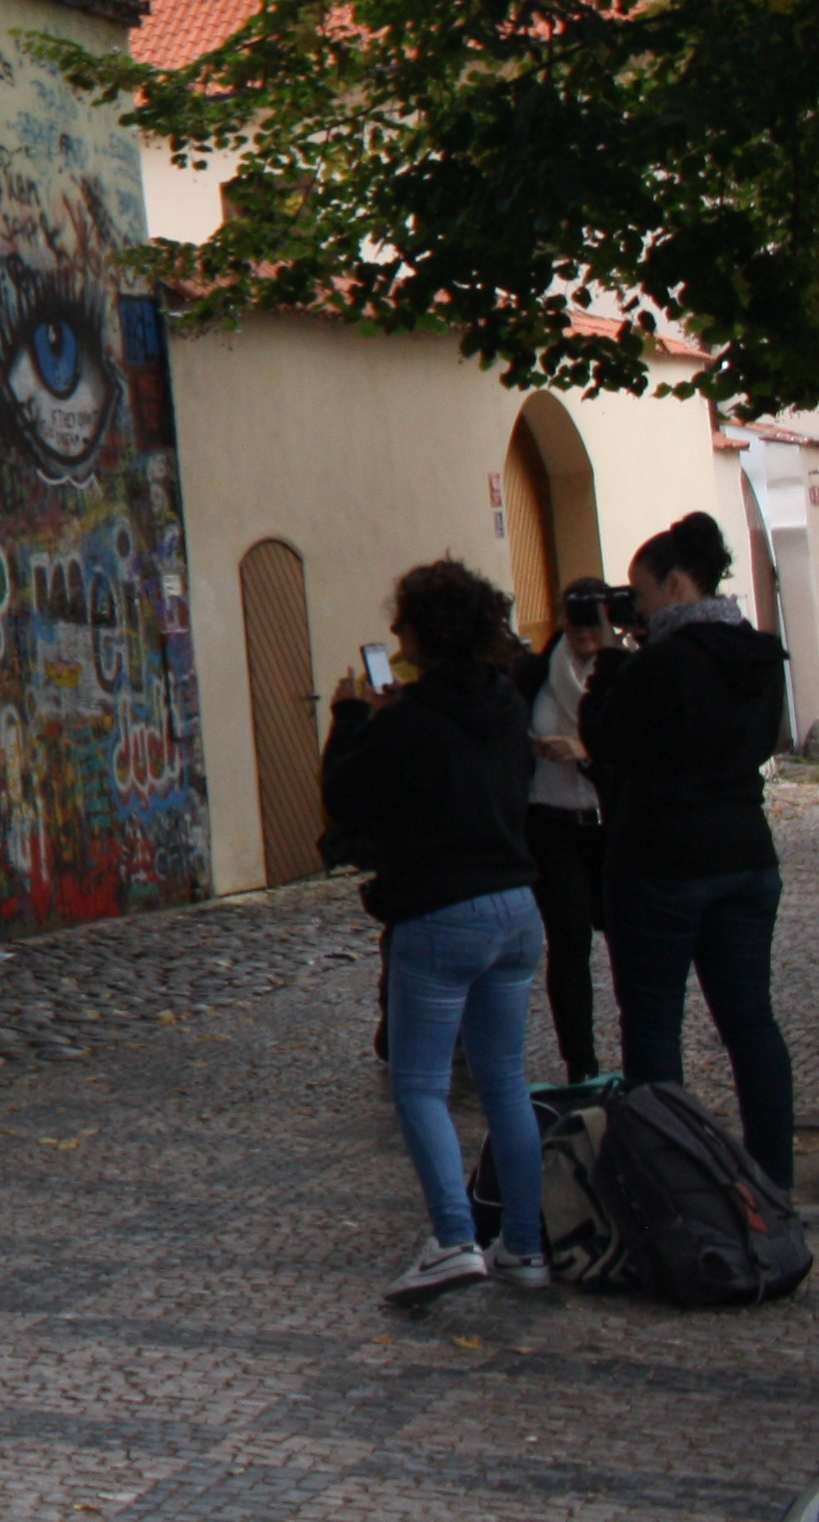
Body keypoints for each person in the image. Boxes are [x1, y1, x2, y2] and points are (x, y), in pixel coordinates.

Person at [322, 557, 549, 1301]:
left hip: (441, 911)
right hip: (515, 904)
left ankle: (454, 1238)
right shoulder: (505, 702)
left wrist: (352, 718)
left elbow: (347, 796)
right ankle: (524, 1246)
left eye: (403, 625)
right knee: (505, 1082)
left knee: (419, 1084)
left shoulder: (408, 721)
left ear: (418, 634)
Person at [581, 509, 795, 1194]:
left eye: (640, 592)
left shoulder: (660, 665)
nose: (635, 607)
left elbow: (606, 741)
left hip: (662, 861)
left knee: (653, 1027)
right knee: (750, 1021)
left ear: (675, 584)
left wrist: (609, 662)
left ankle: (672, 1186)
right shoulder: (759, 656)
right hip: (745, 853)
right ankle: (772, 1181)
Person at [514, 579, 615, 1087]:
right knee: (569, 940)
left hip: (609, 822)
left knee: (627, 937)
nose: (584, 635)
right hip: (552, 823)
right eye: (575, 623)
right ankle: (581, 1061)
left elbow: (640, 746)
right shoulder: (538, 672)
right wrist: (531, 746)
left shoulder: (624, 671)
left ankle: (644, 1051)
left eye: (593, 622)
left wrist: (588, 751)